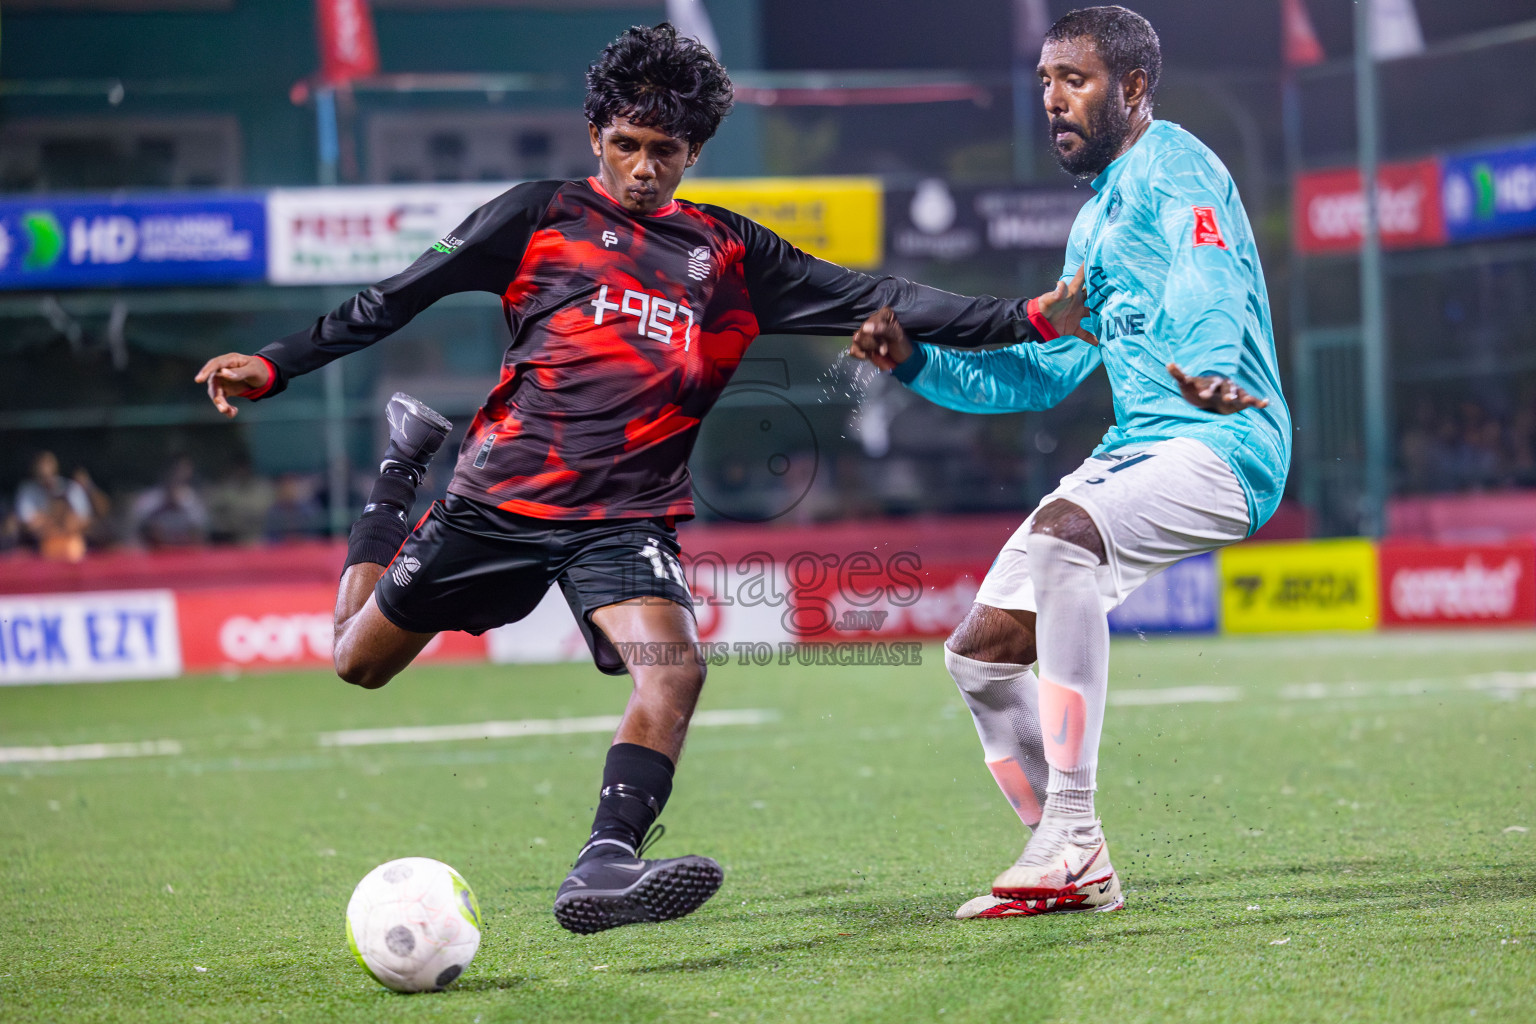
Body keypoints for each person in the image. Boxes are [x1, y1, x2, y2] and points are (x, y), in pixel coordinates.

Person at [194, 23, 1084, 935]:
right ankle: (398, 471)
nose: (644, 166)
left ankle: (605, 862)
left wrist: (1026, 317)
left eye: (666, 150)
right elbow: (395, 297)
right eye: (626, 145)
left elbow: (880, 298)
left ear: (694, 151)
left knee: (675, 669)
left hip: (623, 518)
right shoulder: (538, 214)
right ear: (596, 137)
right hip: (496, 501)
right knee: (356, 662)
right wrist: (275, 365)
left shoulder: (731, 256)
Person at [850, 5, 1290, 919]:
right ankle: (1069, 854)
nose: (1052, 101)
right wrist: (920, 362)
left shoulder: (1179, 171)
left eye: (1074, 81)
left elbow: (1209, 287)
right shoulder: (1093, 225)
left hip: (1226, 442)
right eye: (1045, 82)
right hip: (1136, 450)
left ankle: (1075, 833)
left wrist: (1206, 370)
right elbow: (1042, 374)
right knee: (978, 658)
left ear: (1132, 89)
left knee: (1062, 543)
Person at [15, 451, 94, 562]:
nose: (44, 469)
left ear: (55, 466)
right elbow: (30, 524)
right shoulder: (27, 491)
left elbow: (83, 520)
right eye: (41, 465)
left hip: (73, 548)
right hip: (40, 549)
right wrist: (53, 524)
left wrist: (63, 525)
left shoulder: (71, 488)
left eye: (48, 464)